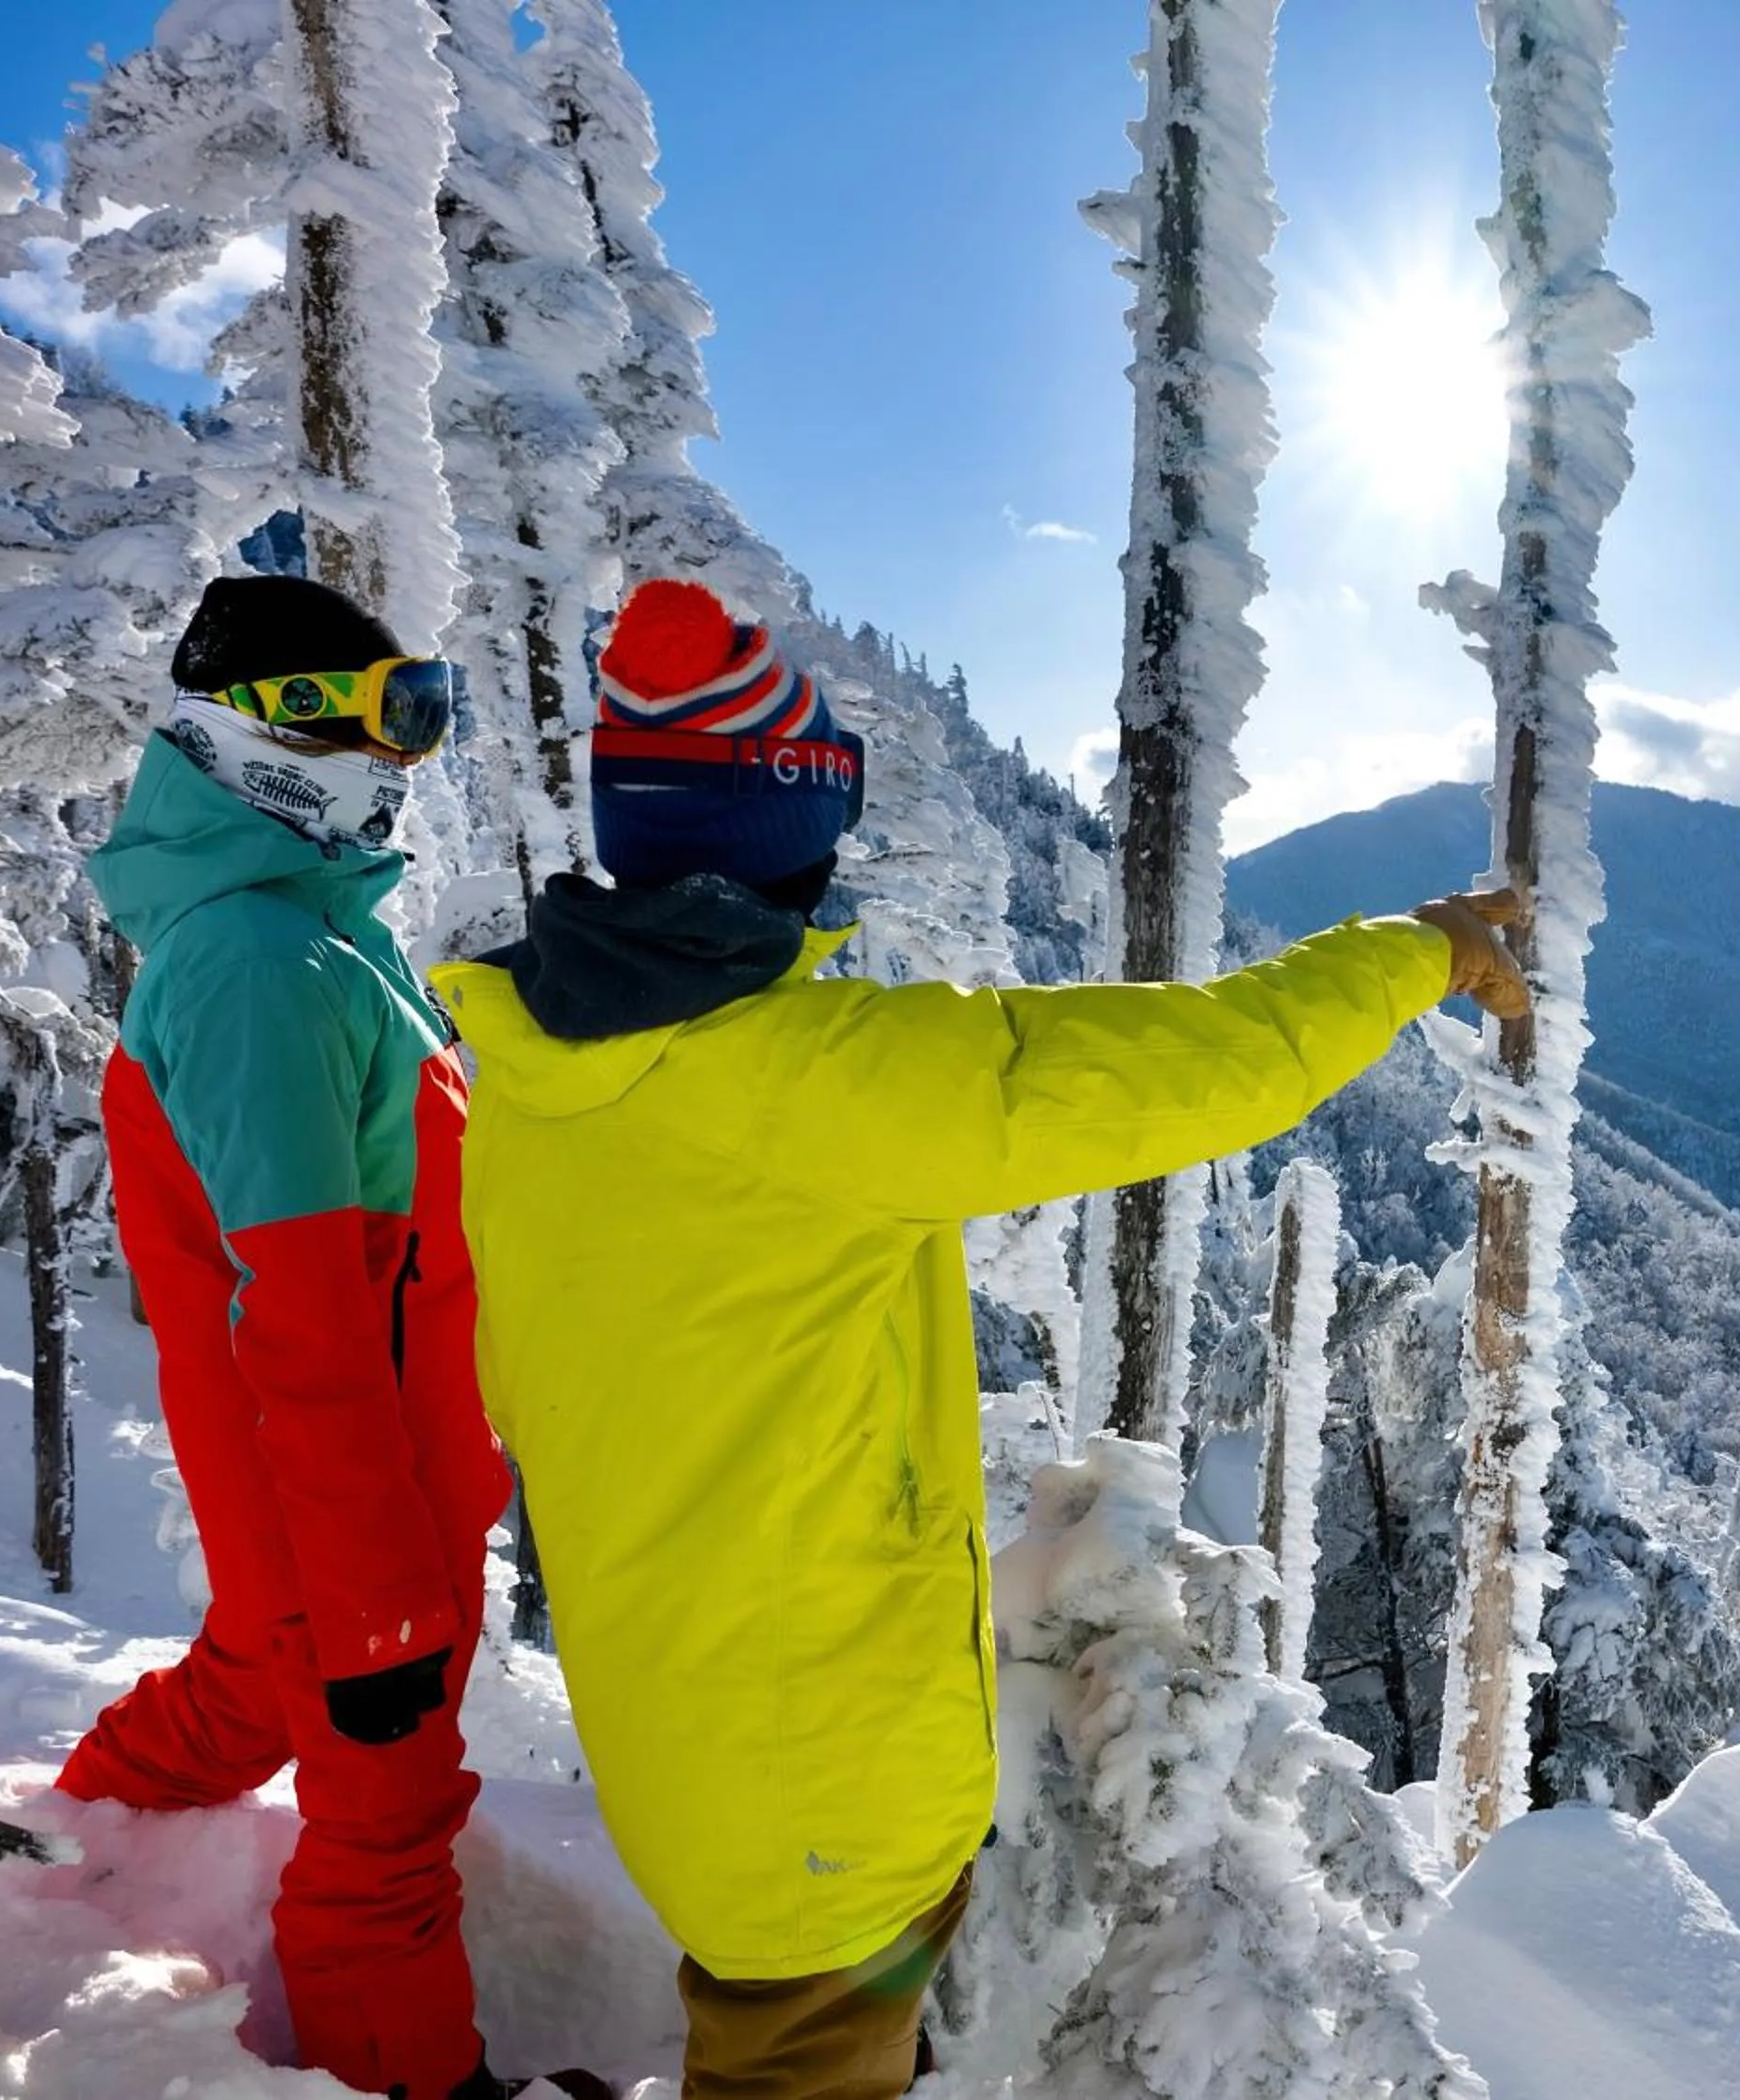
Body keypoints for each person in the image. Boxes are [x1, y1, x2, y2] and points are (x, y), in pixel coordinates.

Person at [430, 578, 1530, 2100]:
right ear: (784, 837)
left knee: (772, 2038)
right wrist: (1421, 952)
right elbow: (1204, 1066)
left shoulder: (541, 1075)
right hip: (817, 1774)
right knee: (801, 2069)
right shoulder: (816, 1083)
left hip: (682, 1722)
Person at [59, 575, 608, 2100]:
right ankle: (410, 2080)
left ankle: (60, 1843)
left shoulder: (310, 941)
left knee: (249, 1684)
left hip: (352, 1492)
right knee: (385, 1820)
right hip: (344, 1508)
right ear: (273, 730)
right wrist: (372, 1606)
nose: (407, 755)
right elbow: (298, 1315)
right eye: (389, 714)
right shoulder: (256, 966)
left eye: (425, 710)